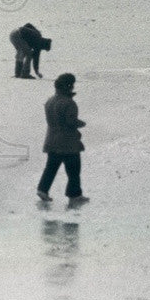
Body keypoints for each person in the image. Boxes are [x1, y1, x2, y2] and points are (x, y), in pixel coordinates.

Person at [37, 73, 89, 204]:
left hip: (51, 140)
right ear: (69, 86)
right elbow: (70, 122)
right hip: (68, 143)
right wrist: (80, 123)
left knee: (51, 167)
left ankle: (42, 189)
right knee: (74, 169)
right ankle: (74, 194)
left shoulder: (50, 101)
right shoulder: (69, 103)